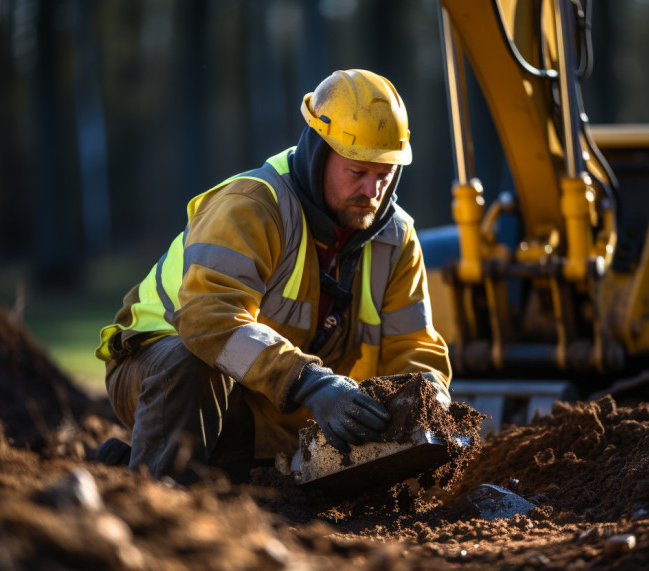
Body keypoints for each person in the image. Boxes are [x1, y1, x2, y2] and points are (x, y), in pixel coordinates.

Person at [94, 69, 451, 484]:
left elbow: (415, 345)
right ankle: (157, 496)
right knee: (193, 364)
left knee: (280, 485)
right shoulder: (251, 205)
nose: (373, 190)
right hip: (158, 369)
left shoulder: (397, 238)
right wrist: (312, 383)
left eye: (385, 173)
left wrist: (428, 397)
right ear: (319, 152)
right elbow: (209, 320)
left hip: (266, 393)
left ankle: (140, 469)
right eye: (358, 172)